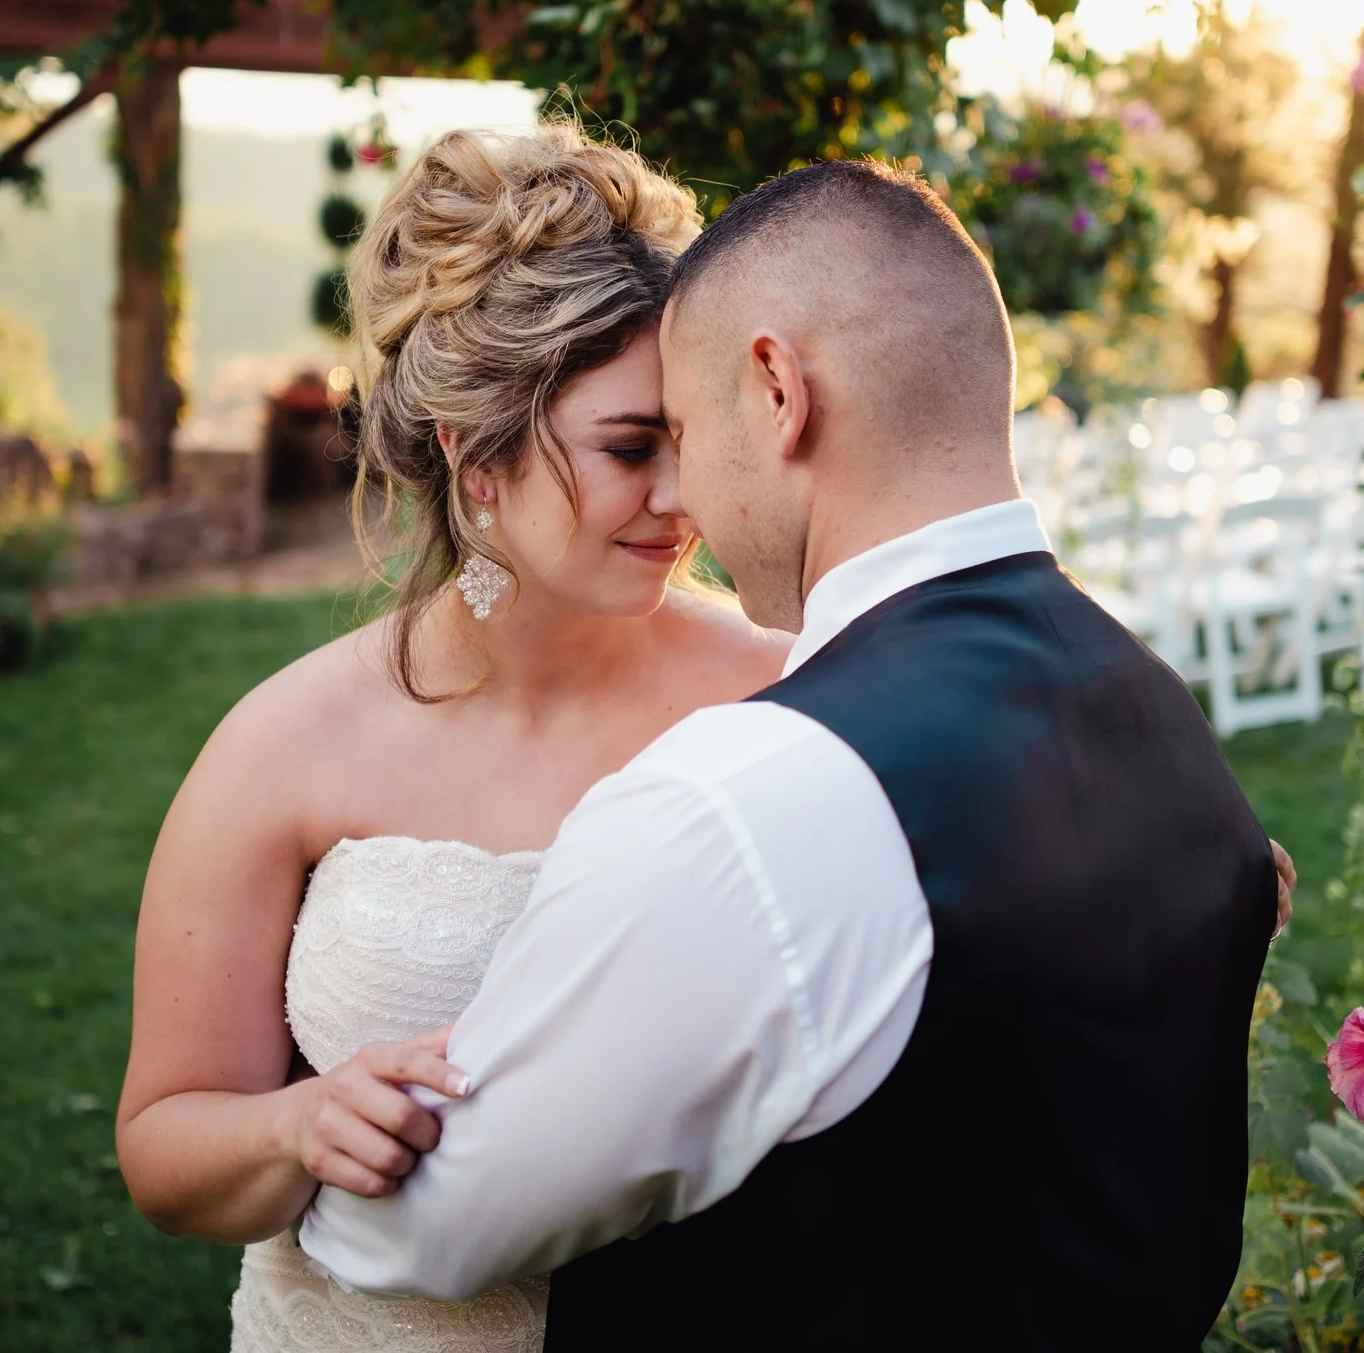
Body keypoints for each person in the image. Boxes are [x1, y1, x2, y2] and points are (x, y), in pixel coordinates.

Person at [289, 157, 1285, 1351]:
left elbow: (433, 1232)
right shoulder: (1158, 717)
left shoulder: (747, 799)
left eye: (689, 432)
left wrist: (295, 1176)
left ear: (776, 391)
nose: (688, 497)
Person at [114, 124, 793, 1351]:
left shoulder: (787, 697)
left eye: (690, 441)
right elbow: (164, 1146)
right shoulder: (285, 745)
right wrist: (296, 1125)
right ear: (472, 459)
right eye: (631, 448)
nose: (682, 497)